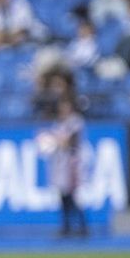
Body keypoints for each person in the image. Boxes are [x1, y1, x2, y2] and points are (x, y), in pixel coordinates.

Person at [38, 95, 87, 238]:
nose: (62, 109)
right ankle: (66, 226)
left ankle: (83, 226)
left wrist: (52, 141)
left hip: (72, 165)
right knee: (62, 197)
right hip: (60, 165)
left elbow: (71, 142)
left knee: (74, 197)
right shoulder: (59, 123)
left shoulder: (76, 122)